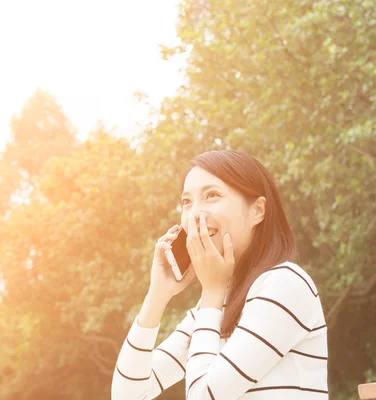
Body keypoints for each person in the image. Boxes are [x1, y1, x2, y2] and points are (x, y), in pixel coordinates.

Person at [111, 150, 328, 399]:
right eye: (186, 202)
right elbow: (128, 394)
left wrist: (212, 292)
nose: (194, 214)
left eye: (212, 195)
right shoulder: (214, 306)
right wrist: (157, 295)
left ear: (258, 210)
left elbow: (203, 396)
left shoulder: (286, 284)